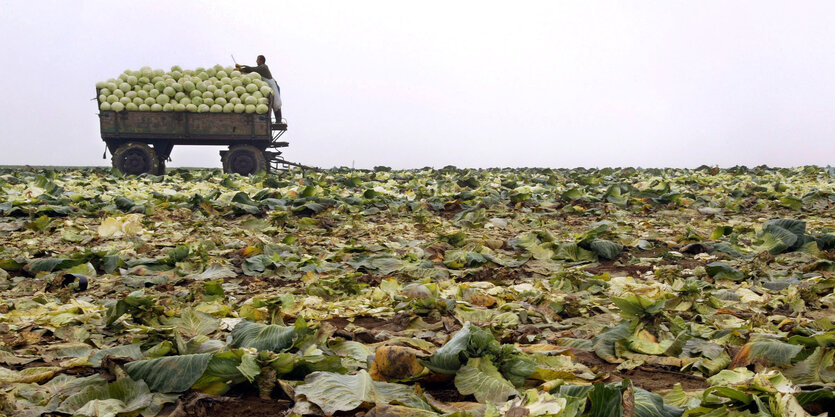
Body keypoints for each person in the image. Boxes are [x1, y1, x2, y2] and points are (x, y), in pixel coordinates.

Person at [238, 55, 282, 123]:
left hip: (273, 87)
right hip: (268, 88)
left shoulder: (263, 67)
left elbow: (254, 70)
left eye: (257, 60)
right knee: (273, 104)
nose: (256, 61)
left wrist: (243, 67)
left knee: (276, 104)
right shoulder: (260, 68)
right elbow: (253, 71)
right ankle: (275, 120)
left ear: (261, 60)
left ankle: (279, 121)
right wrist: (243, 69)